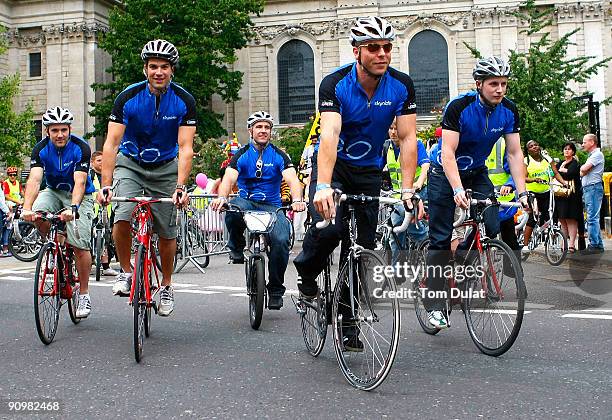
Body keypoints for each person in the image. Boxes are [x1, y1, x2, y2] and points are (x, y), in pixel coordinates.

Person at [293, 16, 418, 351]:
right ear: (357, 51)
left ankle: (348, 321)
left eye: (387, 47)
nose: (382, 54)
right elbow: (330, 135)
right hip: (334, 169)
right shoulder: (335, 83)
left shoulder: (401, 86)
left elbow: (407, 139)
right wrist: (321, 186)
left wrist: (408, 189)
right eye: (373, 48)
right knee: (330, 230)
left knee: (360, 249)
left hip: (368, 172)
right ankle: (306, 276)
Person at [425, 56, 528, 329]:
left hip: (476, 172)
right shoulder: (459, 107)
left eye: (504, 84)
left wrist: (523, 192)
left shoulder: (509, 110)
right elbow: (447, 153)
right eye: (493, 83)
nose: (499, 89)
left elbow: (515, 153)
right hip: (444, 173)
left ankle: (463, 259)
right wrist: (457, 189)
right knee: (440, 236)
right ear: (479, 84)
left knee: (494, 220)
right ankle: (434, 304)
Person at [97, 39, 196, 317]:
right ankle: (127, 271)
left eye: (164, 67)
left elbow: (186, 147)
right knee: (122, 214)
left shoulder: (184, 101)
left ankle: (166, 285)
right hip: (131, 163)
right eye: (153, 66)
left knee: (167, 231)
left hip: (166, 166)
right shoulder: (127, 98)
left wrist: (180, 186)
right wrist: (106, 186)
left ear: (172, 70)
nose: (159, 72)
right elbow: (111, 145)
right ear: (145, 69)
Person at [210, 111, 306, 310]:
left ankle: (276, 290)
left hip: (273, 205)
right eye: (259, 127)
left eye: (267, 127)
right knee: (232, 208)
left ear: (271, 132)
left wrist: (297, 199)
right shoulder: (242, 155)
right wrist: (221, 198)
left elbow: (292, 179)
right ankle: (236, 247)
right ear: (250, 131)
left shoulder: (279, 155)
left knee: (280, 241)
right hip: (247, 202)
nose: (263, 131)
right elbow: (229, 178)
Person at [21, 107, 96, 318]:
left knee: (81, 246)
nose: (60, 134)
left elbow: (80, 181)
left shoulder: (81, 147)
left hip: (79, 195)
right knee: (37, 212)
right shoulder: (40, 149)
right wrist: (27, 208)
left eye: (64, 129)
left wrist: (73, 209)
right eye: (55, 130)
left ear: (70, 129)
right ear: (47, 132)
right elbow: (35, 179)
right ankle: (53, 245)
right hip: (53, 191)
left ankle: (84, 294)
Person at [385, 117, 429, 262]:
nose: (393, 132)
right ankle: (398, 272)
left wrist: (419, 183)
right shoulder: (387, 147)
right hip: (397, 196)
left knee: (405, 223)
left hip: (417, 193)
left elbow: (425, 165)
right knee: (395, 234)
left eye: (396, 128)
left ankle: (429, 244)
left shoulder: (415, 144)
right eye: (390, 128)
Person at [521, 139, 567, 255]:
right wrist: (534, 179)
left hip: (546, 191)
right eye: (531, 146)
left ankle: (553, 244)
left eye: (536, 145)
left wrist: (564, 183)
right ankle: (525, 245)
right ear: (528, 150)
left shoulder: (548, 159)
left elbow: (556, 173)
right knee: (533, 219)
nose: (534, 147)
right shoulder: (526, 161)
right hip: (532, 193)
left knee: (551, 216)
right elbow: (523, 177)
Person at [89, 151, 119, 276]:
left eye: (104, 160)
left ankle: (106, 266)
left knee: (106, 238)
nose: (102, 163)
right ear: (92, 162)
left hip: (108, 211)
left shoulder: (110, 176)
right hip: (92, 211)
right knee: (89, 237)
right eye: (99, 160)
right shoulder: (90, 175)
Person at [580, 133, 605, 253]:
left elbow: (584, 169)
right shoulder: (592, 155)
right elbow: (583, 171)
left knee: (592, 217)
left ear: (592, 142)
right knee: (592, 216)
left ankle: (594, 244)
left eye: (584, 142)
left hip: (593, 188)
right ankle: (598, 244)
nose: (582, 144)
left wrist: (584, 168)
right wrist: (584, 169)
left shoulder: (597, 155)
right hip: (590, 188)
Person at [555, 142, 583, 253]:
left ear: (573, 151)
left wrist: (562, 172)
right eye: (565, 149)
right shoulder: (560, 163)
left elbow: (571, 174)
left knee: (571, 219)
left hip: (572, 196)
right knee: (562, 220)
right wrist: (562, 171)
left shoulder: (575, 163)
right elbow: (554, 174)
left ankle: (571, 244)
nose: (567, 151)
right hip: (560, 195)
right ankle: (563, 244)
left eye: (569, 149)